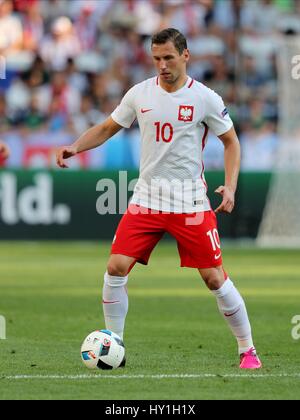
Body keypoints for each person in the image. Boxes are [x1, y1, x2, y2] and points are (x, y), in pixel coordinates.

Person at [56, 28, 262, 370]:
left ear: (185, 55)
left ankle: (247, 349)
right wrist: (76, 146)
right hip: (147, 200)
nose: (162, 65)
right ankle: (114, 344)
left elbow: (232, 143)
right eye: (156, 59)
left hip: (191, 203)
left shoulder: (205, 98)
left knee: (214, 277)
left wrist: (230, 185)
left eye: (168, 57)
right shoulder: (140, 94)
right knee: (115, 267)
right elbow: (108, 127)